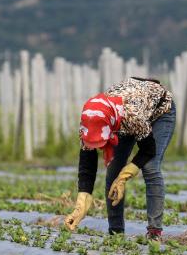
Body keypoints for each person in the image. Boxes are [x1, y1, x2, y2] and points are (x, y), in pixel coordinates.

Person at [64, 77, 175, 239]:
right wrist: (83, 198)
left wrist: (125, 175)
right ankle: (116, 233)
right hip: (121, 119)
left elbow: (148, 150)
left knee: (150, 167)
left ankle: (154, 231)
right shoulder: (89, 121)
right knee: (113, 170)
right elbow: (87, 162)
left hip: (159, 111)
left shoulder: (132, 115)